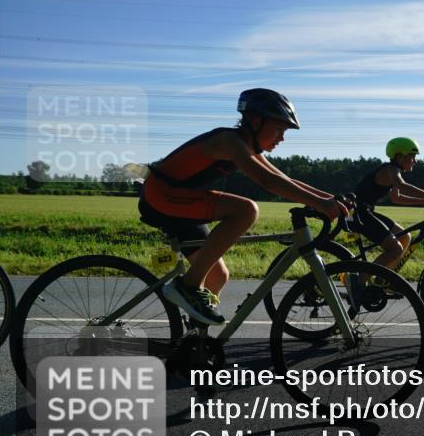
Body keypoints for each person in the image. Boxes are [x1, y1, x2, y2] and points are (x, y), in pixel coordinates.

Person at [138, 89, 348, 326]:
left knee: (218, 276)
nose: (282, 138)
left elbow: (285, 179)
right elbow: (268, 181)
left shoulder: (246, 145)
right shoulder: (228, 141)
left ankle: (195, 340)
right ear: (256, 121)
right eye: (279, 129)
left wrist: (331, 199)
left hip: (181, 200)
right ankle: (186, 286)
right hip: (162, 196)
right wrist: (320, 203)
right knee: (246, 210)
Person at [347, 138, 424, 301]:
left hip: (365, 211)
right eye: (412, 156)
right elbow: (402, 186)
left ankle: (383, 280)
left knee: (405, 236)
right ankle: (358, 282)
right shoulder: (391, 170)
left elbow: (397, 198)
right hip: (359, 213)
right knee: (395, 250)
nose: (415, 161)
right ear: (400, 157)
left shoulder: (393, 171)